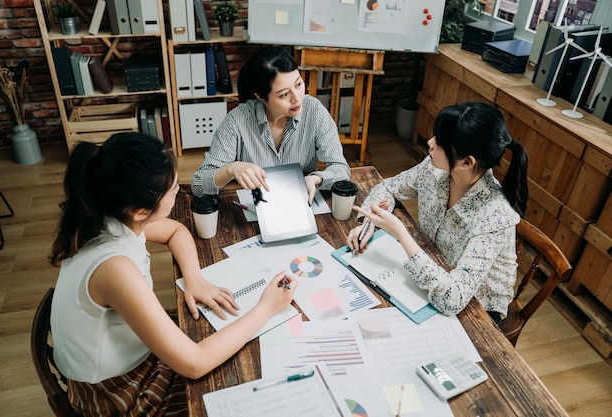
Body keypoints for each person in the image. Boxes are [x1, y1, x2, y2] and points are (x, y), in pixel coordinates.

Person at [49, 132, 297, 416]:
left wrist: (194, 277)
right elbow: (195, 363)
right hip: (119, 391)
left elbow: (176, 230)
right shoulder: (113, 267)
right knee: (246, 387)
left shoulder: (108, 215)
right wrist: (266, 308)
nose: (179, 189)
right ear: (140, 210)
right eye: (172, 189)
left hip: (132, 355)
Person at [346, 102, 528, 323]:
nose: (430, 142)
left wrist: (400, 232)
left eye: (440, 142)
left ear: (466, 162)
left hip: (476, 308)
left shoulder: (496, 215)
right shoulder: (432, 169)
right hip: (433, 265)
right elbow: (388, 187)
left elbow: (454, 299)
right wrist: (369, 223)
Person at [191, 46, 350, 204]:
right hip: (254, 208)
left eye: (298, 84)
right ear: (260, 96)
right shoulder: (236, 121)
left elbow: (341, 169)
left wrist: (316, 179)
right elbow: (198, 185)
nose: (297, 98)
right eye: (284, 94)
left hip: (302, 203)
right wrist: (230, 169)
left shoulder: (314, 110)